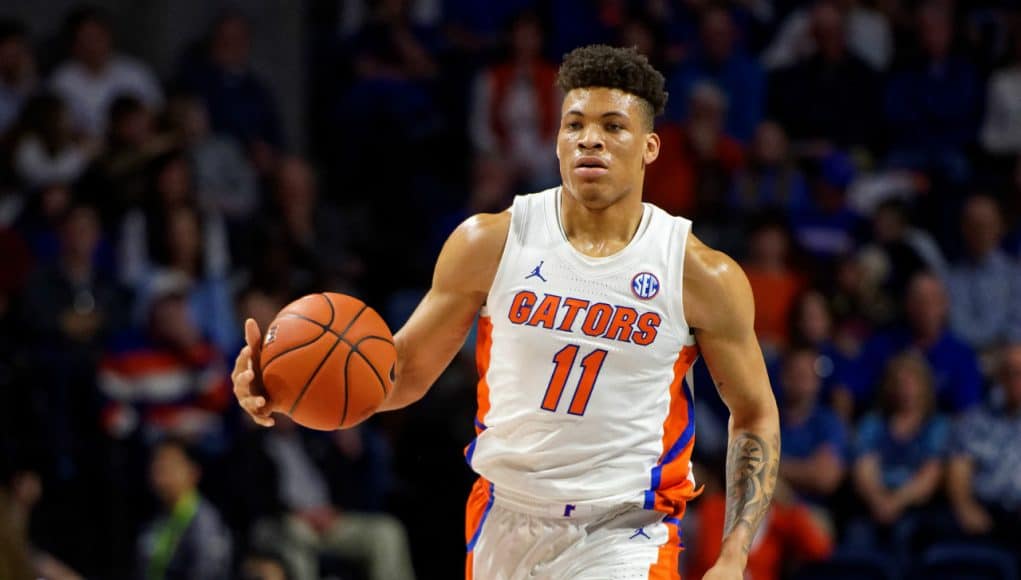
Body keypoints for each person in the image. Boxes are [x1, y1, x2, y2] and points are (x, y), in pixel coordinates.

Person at [233, 44, 781, 579]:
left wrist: (734, 555)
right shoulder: (488, 242)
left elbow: (755, 414)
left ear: (650, 148)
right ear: (557, 139)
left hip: (624, 531)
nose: (591, 139)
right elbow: (397, 374)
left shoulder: (699, 273)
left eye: (613, 126)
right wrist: (282, 389)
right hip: (504, 519)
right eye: (575, 124)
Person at [137, 439, 232, 580]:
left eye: (169, 466)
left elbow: (207, 573)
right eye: (157, 465)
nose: (160, 474)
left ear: (193, 472)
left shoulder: (205, 522)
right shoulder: (155, 514)